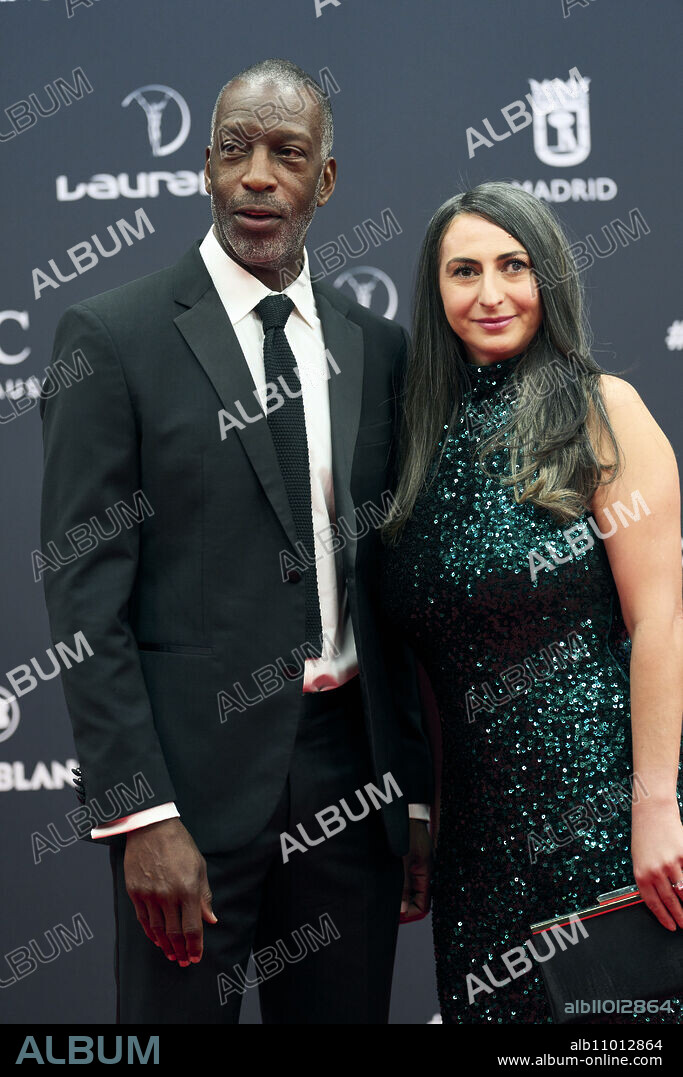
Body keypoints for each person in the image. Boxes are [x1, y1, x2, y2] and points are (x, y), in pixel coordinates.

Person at [39, 58, 432, 1025]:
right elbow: (86, 603)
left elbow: (395, 593)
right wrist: (140, 813)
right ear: (205, 170)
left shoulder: (376, 349)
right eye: (233, 150)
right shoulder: (113, 336)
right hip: (187, 800)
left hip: (350, 786)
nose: (257, 176)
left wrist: (412, 794)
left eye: (286, 153)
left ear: (324, 182)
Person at [379, 181, 683, 1023]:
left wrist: (655, 808)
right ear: (434, 291)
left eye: (513, 265)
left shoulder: (601, 408)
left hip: (605, 812)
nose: (490, 294)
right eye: (463, 270)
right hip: (475, 841)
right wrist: (425, 821)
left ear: (547, 276)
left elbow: (660, 622)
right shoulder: (413, 442)